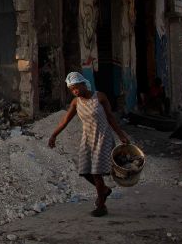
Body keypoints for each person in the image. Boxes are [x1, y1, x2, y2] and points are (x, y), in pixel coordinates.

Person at [48, 72, 131, 217]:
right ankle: (104, 190)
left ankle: (101, 205)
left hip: (103, 137)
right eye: (72, 90)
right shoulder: (76, 102)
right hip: (87, 139)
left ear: (83, 84)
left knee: (96, 172)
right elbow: (65, 121)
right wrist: (54, 135)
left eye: (76, 88)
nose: (75, 91)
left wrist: (121, 135)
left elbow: (111, 117)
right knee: (85, 171)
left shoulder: (100, 97)